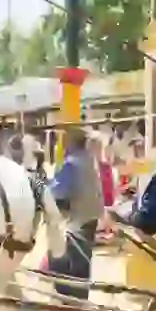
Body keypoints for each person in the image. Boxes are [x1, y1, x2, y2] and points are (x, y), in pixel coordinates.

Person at [47, 127, 105, 301]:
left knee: (61, 259)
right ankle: (80, 299)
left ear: (69, 142)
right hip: (91, 215)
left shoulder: (71, 163)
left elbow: (58, 192)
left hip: (77, 218)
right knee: (83, 261)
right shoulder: (88, 159)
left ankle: (67, 300)